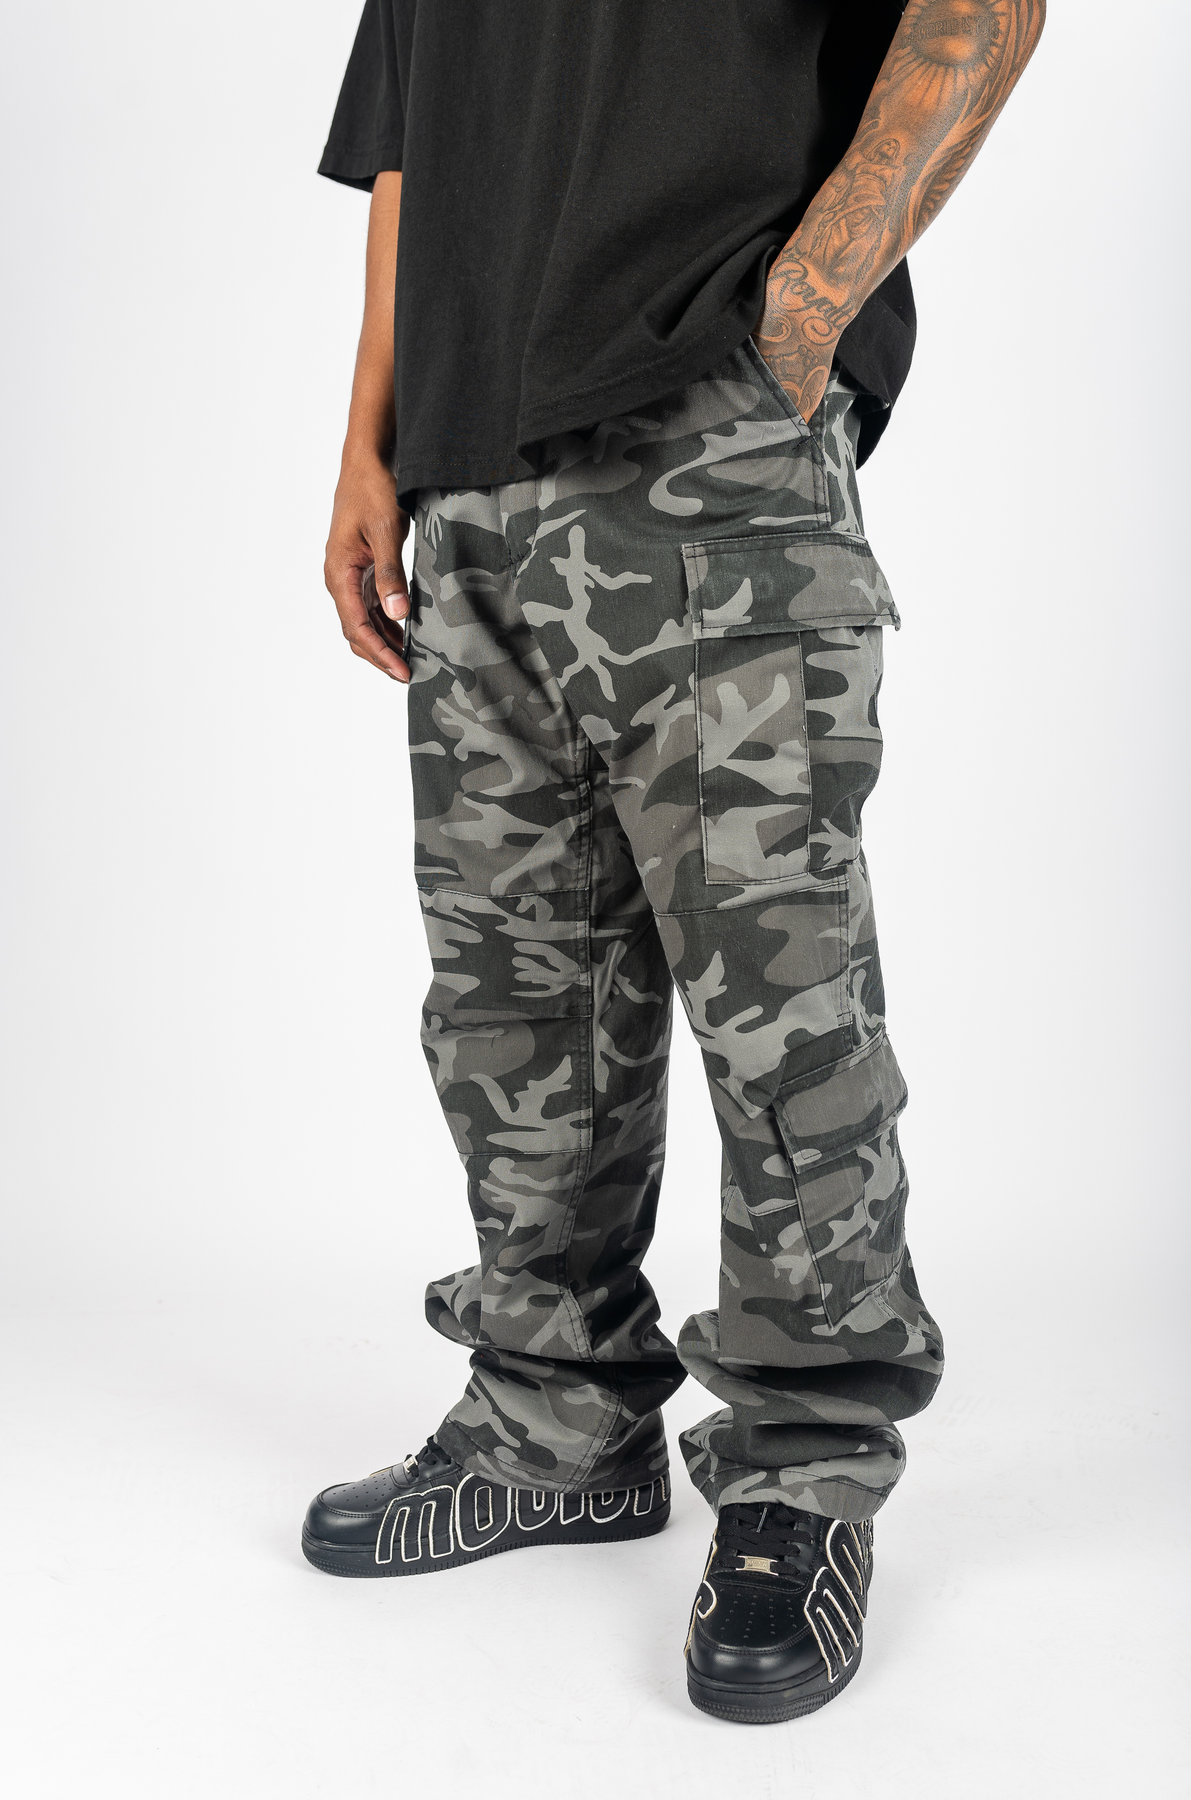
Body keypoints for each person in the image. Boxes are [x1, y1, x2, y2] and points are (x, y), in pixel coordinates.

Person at [302, 0, 1044, 1724]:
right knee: (512, 1001)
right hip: (469, 467)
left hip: (708, 434)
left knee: (778, 1006)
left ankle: (803, 1465)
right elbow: (410, 131)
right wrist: (370, 442)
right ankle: (552, 1423)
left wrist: (800, 320)